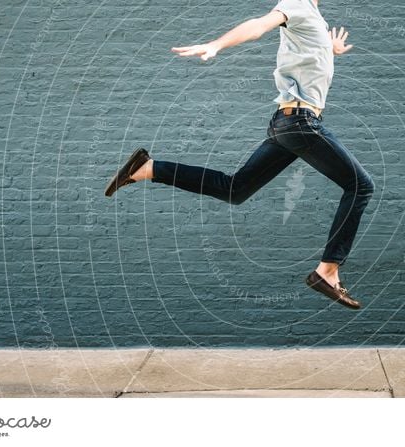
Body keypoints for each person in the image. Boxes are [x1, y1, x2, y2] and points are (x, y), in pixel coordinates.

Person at [104, 0, 375, 309]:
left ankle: (149, 168)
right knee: (360, 185)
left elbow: (305, 60)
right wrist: (216, 44)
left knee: (235, 190)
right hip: (300, 123)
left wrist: (330, 50)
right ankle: (327, 271)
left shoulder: (311, 15)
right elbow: (259, 26)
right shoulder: (296, 4)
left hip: (288, 124)